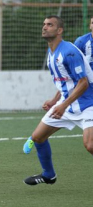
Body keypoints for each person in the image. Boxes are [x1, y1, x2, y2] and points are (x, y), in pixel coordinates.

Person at [23, 15, 93, 186]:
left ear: (59, 30)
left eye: (50, 25)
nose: (45, 27)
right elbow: (65, 81)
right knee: (38, 137)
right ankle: (49, 175)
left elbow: (83, 83)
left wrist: (63, 105)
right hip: (66, 104)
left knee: (90, 145)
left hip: (88, 104)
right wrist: (55, 101)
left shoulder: (68, 51)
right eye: (44, 24)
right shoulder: (51, 51)